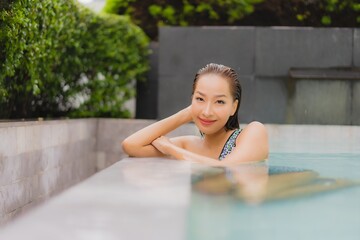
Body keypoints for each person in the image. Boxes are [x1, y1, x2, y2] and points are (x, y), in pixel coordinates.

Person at [122, 63, 269, 166]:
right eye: (200, 99)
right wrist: (186, 114)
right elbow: (131, 145)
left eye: (219, 102)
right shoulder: (189, 145)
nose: (207, 111)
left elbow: (226, 167)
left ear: (233, 107)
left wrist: (171, 149)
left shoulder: (253, 132)